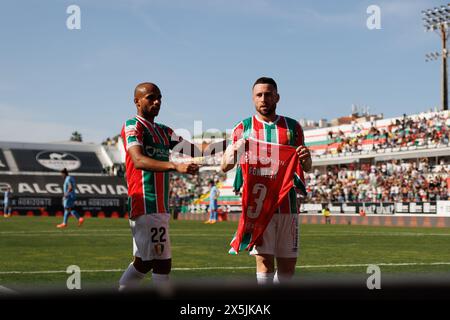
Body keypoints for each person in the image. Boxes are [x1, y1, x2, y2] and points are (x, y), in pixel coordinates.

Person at [221, 77, 312, 285]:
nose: (264, 99)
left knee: (288, 269)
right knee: (264, 264)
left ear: (277, 97)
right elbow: (224, 166)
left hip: (287, 206)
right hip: (258, 208)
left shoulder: (292, 127)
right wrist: (235, 151)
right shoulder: (242, 128)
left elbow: (305, 167)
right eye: (259, 95)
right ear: (253, 99)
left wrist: (307, 159)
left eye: (269, 94)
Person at [119, 82, 200, 290]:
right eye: (151, 97)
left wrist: (232, 143)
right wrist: (175, 166)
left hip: (159, 207)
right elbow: (138, 160)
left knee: (143, 263)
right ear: (137, 101)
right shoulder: (133, 125)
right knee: (162, 264)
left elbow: (197, 150)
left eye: (160, 98)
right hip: (147, 203)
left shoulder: (164, 131)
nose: (157, 102)